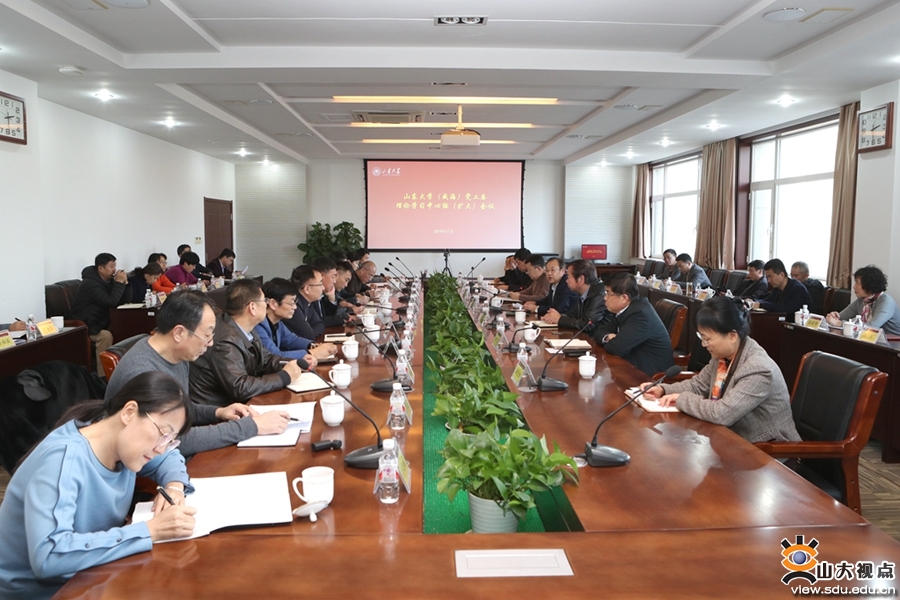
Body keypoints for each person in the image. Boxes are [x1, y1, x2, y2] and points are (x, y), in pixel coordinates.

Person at [0, 371, 197, 599]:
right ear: (129, 412)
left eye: (169, 440)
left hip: (89, 576)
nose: (161, 448)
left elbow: (169, 457)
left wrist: (174, 486)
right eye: (163, 434)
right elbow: (49, 555)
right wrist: (149, 531)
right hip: (40, 593)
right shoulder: (64, 460)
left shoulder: (122, 445)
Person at [105, 290, 290, 457]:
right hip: (151, 460)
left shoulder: (177, 354)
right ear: (179, 333)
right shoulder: (142, 372)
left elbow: (180, 410)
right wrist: (252, 426)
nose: (210, 343)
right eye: (207, 336)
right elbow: (171, 440)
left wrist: (218, 412)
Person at [639, 296, 801, 444]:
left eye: (708, 339)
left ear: (732, 336)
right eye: (702, 337)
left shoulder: (758, 369)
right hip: (732, 439)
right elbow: (698, 385)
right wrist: (663, 390)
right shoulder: (724, 356)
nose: (704, 344)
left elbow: (722, 414)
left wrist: (682, 399)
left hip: (768, 450)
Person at [189, 279, 304, 407]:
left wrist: (295, 363)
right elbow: (240, 388)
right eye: (264, 300)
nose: (267, 305)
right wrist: (284, 377)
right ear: (252, 307)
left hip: (236, 404)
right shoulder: (225, 341)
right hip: (218, 409)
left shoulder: (245, 327)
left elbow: (265, 359)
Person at [593, 273, 675, 377]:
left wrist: (613, 341)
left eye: (608, 293)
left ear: (624, 298)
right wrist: (608, 337)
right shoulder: (626, 309)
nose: (605, 298)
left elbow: (615, 348)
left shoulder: (640, 315)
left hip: (651, 376)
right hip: (631, 367)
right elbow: (599, 331)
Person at [255, 278, 337, 365]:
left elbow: (291, 340)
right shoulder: (258, 326)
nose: (295, 307)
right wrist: (312, 353)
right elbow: (275, 356)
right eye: (291, 303)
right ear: (273, 304)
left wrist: (313, 345)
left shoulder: (278, 322)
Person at [71, 252, 128, 373]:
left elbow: (124, 300)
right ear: (101, 268)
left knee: (125, 327)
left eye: (115, 266)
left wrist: (125, 284)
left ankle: (123, 369)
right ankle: (104, 374)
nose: (114, 269)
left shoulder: (108, 281)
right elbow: (111, 302)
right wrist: (118, 283)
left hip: (101, 321)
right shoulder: (90, 284)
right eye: (111, 266)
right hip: (87, 324)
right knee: (105, 336)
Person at [826, 265, 900, 335]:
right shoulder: (862, 300)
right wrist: (833, 316)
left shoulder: (886, 302)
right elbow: (841, 317)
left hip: (892, 342)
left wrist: (839, 323)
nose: (854, 287)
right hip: (870, 340)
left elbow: (871, 327)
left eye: (857, 283)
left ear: (869, 285)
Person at [541, 259, 609, 334]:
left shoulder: (599, 294)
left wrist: (559, 319)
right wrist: (553, 317)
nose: (566, 281)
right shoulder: (582, 292)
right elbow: (573, 314)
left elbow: (588, 324)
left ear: (580, 279)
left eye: (569, 277)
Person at [284, 265, 326, 340]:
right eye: (320, 284)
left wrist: (312, 331)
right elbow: (308, 335)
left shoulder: (308, 302)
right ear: (307, 289)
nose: (323, 288)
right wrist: (312, 332)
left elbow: (320, 323)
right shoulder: (293, 305)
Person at [309, 256, 351, 327]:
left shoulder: (323, 294)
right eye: (333, 277)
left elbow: (328, 317)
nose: (334, 281)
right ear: (321, 276)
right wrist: (340, 319)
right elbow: (315, 321)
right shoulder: (310, 294)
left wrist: (332, 299)